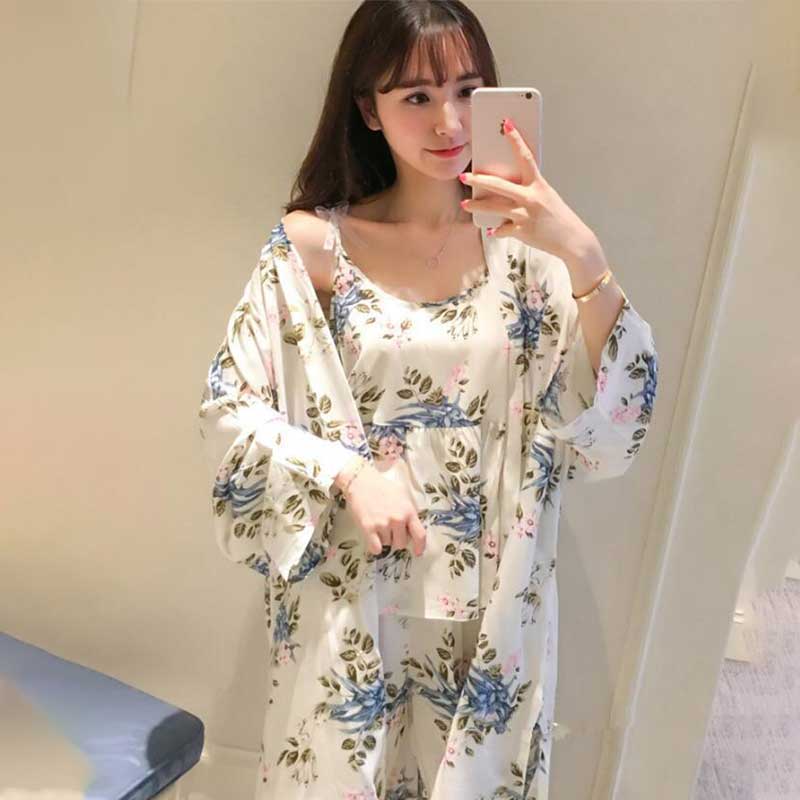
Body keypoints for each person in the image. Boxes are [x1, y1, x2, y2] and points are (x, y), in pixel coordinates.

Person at [197, 2, 659, 798]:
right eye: (416, 95)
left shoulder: (529, 261)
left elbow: (615, 426)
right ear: (368, 108)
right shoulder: (316, 249)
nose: (448, 120)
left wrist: (584, 255)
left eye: (467, 90)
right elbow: (228, 412)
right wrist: (348, 473)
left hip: (490, 620)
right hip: (355, 608)